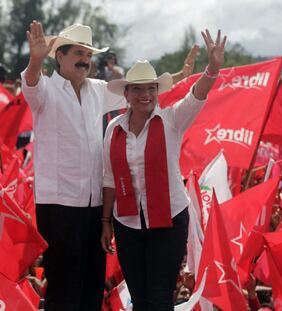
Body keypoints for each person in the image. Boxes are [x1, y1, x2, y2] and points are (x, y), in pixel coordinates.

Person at [22, 21, 199, 311]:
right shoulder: (44, 90)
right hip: (59, 206)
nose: (85, 60)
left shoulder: (97, 89)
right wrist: (34, 60)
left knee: (92, 285)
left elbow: (139, 92)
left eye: (89, 55)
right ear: (60, 56)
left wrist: (180, 75)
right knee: (64, 287)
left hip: (94, 207)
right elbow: (30, 83)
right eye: (79, 53)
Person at [101, 29, 226, 310]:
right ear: (127, 94)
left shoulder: (171, 120)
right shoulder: (113, 129)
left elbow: (196, 96)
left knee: (159, 298)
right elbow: (108, 178)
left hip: (168, 222)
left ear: (158, 91)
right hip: (127, 224)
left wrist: (212, 69)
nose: (146, 95)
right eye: (139, 89)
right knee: (140, 299)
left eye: (151, 88)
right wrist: (106, 223)